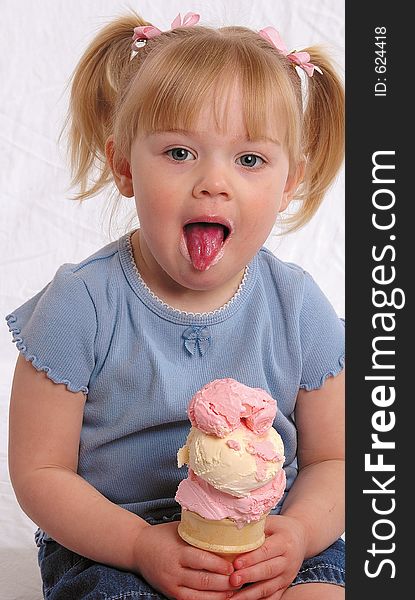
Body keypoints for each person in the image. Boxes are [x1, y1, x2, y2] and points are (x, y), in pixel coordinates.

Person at [6, 10, 345, 600]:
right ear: (122, 165)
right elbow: (40, 471)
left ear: (288, 182)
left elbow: (335, 461)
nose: (215, 183)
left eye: (249, 160)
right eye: (180, 153)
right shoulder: (82, 303)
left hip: (265, 544)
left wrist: (297, 532)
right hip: (115, 545)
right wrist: (138, 545)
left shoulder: (297, 306)